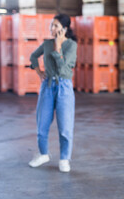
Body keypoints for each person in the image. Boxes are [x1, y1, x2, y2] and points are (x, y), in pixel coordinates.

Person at [28, 14, 77, 173]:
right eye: (51, 25)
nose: (52, 28)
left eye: (55, 26)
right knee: (42, 123)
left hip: (64, 87)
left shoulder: (71, 45)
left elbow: (63, 68)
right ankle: (43, 154)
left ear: (64, 28)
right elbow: (33, 56)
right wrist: (38, 71)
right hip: (47, 86)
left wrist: (58, 47)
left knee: (65, 126)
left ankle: (64, 159)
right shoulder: (46, 44)